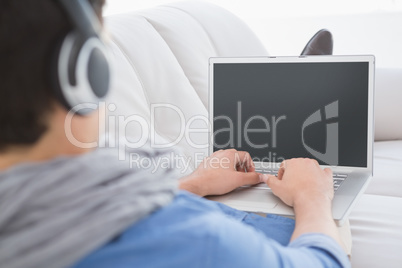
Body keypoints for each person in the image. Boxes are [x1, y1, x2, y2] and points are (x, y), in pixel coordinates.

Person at [0, 0, 350, 267]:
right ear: (82, 74)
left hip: (190, 206)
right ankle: (302, 98)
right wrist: (312, 197)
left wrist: (195, 183)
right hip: (259, 237)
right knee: (323, 211)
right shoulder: (195, 242)